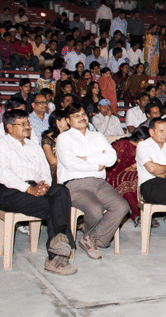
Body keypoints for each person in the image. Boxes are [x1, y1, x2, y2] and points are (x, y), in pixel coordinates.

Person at [0, 109, 77, 275]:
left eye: (28, 123)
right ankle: (56, 257)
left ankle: (58, 244)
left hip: (36, 188)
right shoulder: (2, 144)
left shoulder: (33, 146)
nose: (27, 127)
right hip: (11, 191)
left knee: (60, 190)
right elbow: (3, 173)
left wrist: (44, 185)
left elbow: (45, 170)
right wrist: (29, 189)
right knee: (56, 206)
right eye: (22, 124)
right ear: (9, 127)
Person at [56, 103, 130, 260]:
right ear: (68, 121)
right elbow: (70, 163)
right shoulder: (64, 138)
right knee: (95, 209)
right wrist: (97, 163)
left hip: (99, 183)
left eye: (83, 114)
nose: (81, 118)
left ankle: (90, 237)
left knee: (122, 207)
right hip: (75, 184)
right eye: (76, 116)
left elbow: (111, 158)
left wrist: (85, 158)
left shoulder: (97, 136)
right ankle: (93, 238)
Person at [136, 118, 166, 206]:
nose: (165, 134)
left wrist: (164, 175)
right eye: (161, 131)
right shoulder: (143, 145)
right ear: (151, 132)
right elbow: (152, 169)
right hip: (150, 185)